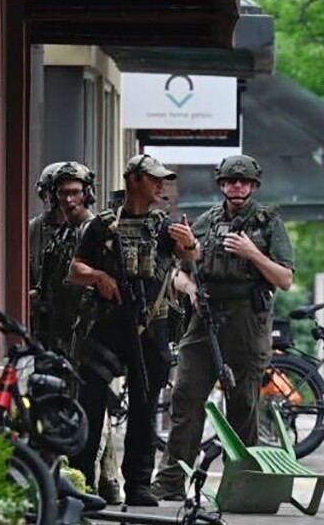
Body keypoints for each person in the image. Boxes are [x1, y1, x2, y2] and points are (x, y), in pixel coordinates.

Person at [151, 153, 295, 501]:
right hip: (206, 317)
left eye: (243, 181)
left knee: (242, 401)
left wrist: (253, 254)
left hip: (247, 320)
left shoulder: (268, 224)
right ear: (221, 185)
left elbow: (286, 279)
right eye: (231, 181)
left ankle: (244, 481)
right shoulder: (206, 221)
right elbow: (179, 272)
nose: (237, 187)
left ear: (254, 186)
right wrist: (191, 289)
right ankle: (171, 479)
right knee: (185, 395)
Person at [69, 153, 200, 506]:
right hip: (107, 328)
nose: (161, 185)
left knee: (145, 406)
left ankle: (138, 484)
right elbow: (75, 269)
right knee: (91, 405)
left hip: (151, 329)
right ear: (133, 180)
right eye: (154, 179)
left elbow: (192, 255)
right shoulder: (101, 226)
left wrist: (188, 242)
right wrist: (99, 277)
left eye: (163, 180)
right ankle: (83, 483)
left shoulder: (163, 226)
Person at [28, 161, 98, 358]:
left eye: (74, 192)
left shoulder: (95, 229)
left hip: (83, 328)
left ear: (86, 194)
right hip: (52, 327)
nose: (68, 200)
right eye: (61, 193)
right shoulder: (55, 232)